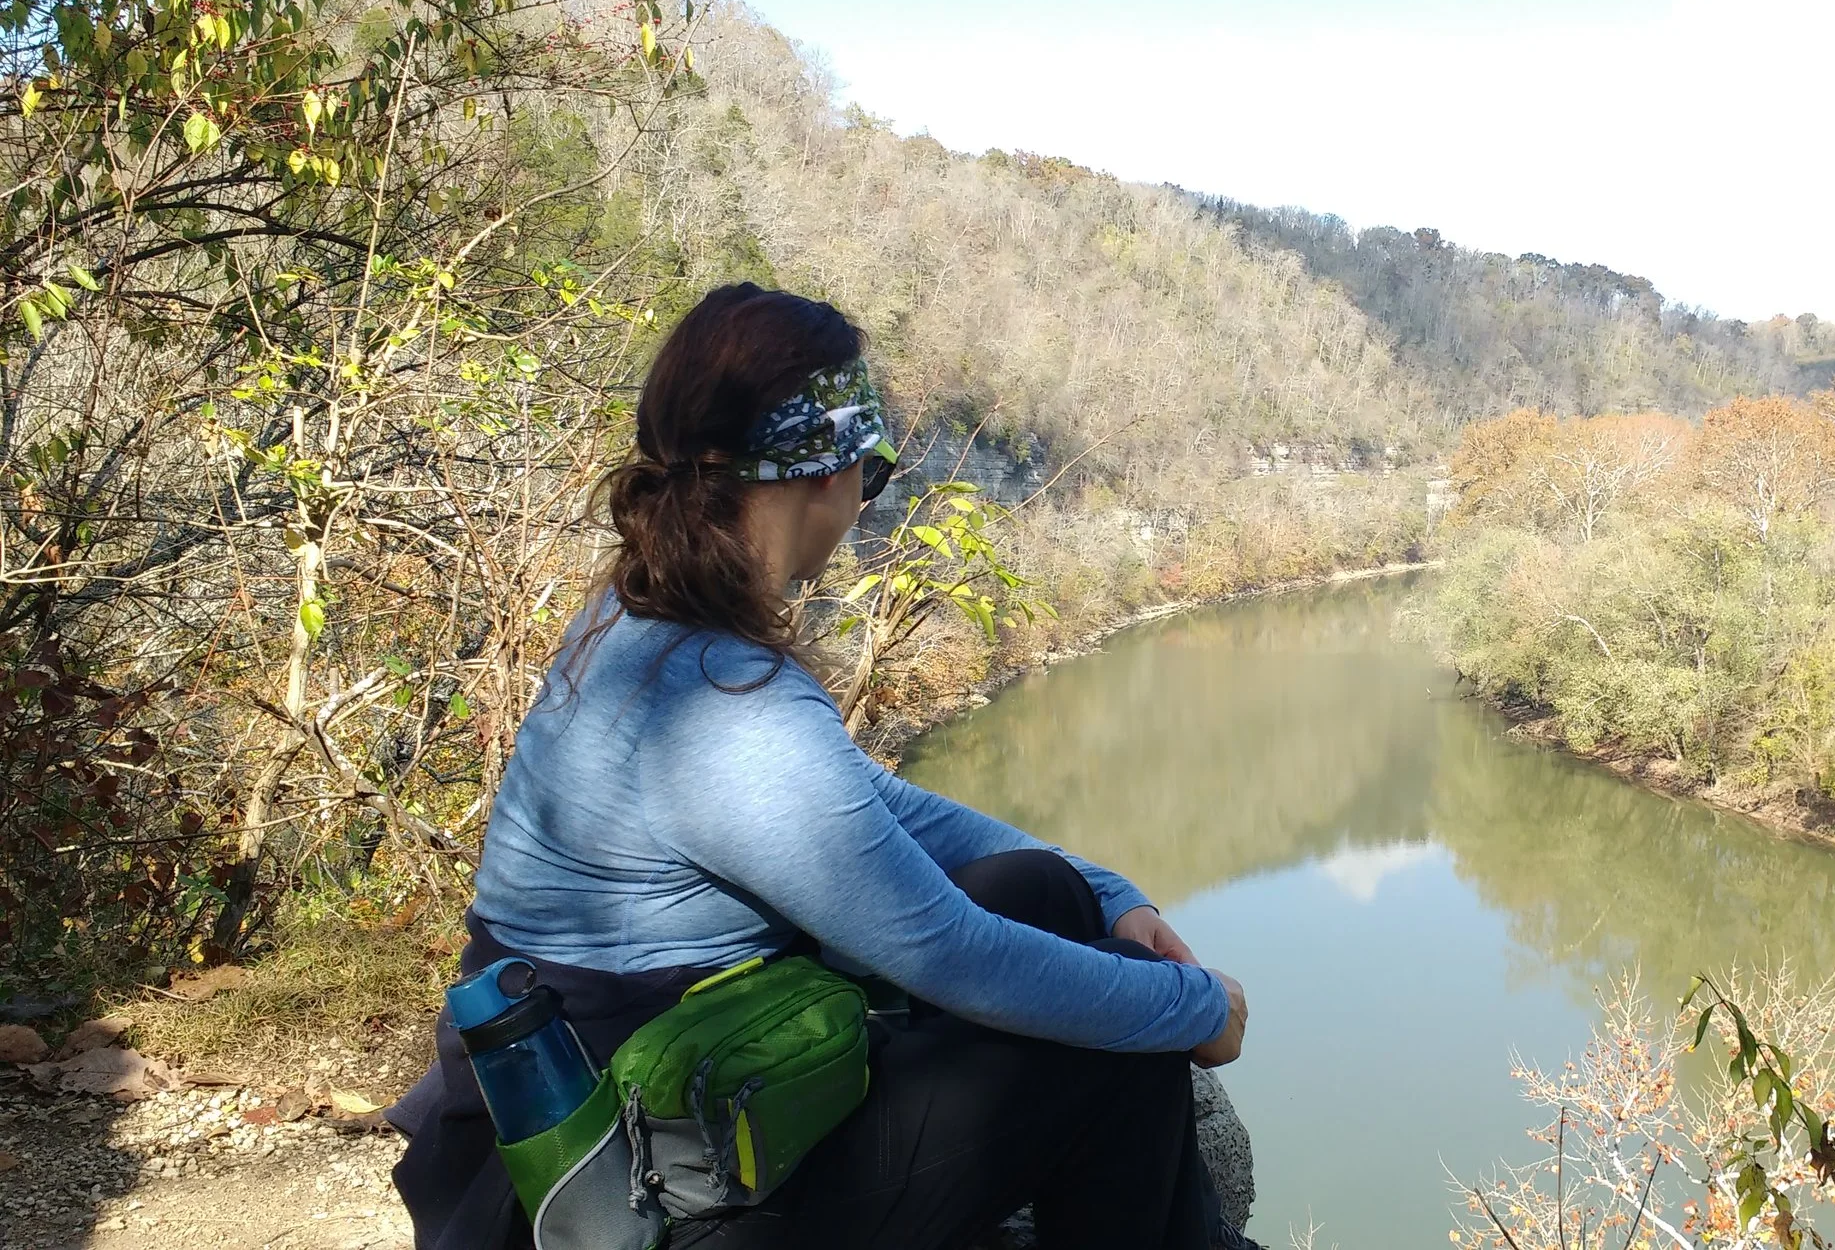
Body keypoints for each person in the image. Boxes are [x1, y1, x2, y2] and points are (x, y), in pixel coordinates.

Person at [388, 283, 1251, 1250]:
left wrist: (1106, 892)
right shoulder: (723, 709)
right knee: (1119, 1059)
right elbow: (948, 952)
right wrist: (1195, 1006)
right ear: (823, 475)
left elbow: (876, 805)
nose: (864, 498)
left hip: (666, 1099)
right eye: (872, 473)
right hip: (632, 1197)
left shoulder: (643, 615)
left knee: (1041, 891)